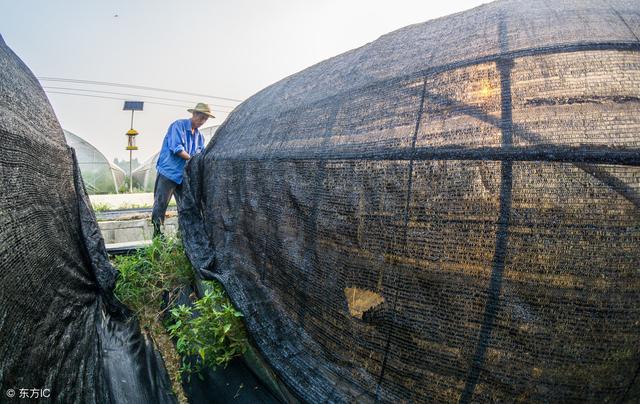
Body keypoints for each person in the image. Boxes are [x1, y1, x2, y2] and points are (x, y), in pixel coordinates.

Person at [152, 102, 214, 238]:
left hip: (184, 175)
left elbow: (201, 155)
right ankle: (157, 235)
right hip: (168, 173)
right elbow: (177, 148)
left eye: (205, 119)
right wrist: (192, 159)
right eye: (201, 117)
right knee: (160, 204)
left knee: (185, 206)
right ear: (194, 114)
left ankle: (183, 237)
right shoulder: (178, 126)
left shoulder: (199, 137)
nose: (202, 121)